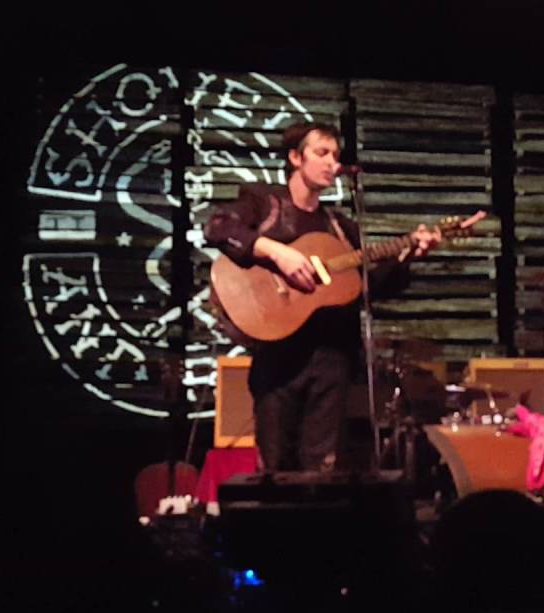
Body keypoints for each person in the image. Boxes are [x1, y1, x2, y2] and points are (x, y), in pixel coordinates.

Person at [203, 121, 482, 472]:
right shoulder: (265, 203)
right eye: (321, 153)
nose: (331, 163)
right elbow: (217, 227)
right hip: (277, 360)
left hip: (330, 360)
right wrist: (277, 252)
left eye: (335, 156)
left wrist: (410, 252)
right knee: (275, 466)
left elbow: (369, 287)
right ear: (295, 158)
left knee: (324, 468)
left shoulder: (340, 228)